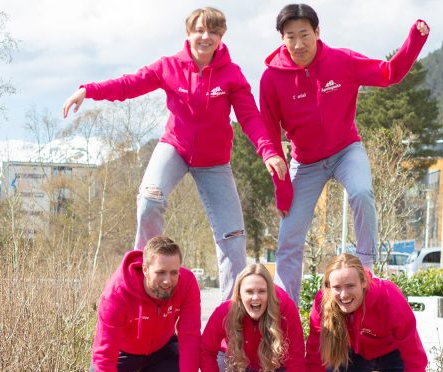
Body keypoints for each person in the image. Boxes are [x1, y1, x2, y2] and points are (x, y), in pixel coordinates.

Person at [62, 7, 288, 297]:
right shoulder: (169, 66)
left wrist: (268, 151)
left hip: (214, 161)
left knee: (233, 236)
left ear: (221, 36)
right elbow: (129, 85)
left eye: (213, 32)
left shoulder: (231, 75)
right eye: (199, 30)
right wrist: (89, 90)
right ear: (188, 33)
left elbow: (250, 117)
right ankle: (143, 275)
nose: (205, 37)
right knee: (149, 199)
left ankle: (230, 311)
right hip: (175, 148)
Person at [259, 3, 430, 299]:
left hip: (346, 150)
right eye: (290, 37)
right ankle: (287, 307)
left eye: (304, 35)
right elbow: (271, 136)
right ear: (282, 39)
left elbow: (388, 73)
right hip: (305, 162)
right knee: (289, 236)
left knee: (361, 192)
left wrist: (415, 40)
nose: (298, 44)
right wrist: (281, 187)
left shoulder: (342, 61)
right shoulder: (271, 79)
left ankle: (365, 268)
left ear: (317, 32)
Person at [90, 235, 200, 372]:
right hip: (121, 352)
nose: (167, 281)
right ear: (145, 269)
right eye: (160, 272)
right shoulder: (116, 294)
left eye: (174, 272)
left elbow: (190, 337)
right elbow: (105, 354)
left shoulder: (187, 283)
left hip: (162, 348)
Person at [200, 263, 305, 372]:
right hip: (235, 362)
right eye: (249, 291)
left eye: (262, 291)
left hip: (276, 365)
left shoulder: (286, 309)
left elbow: (297, 357)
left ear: (269, 292)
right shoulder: (225, 311)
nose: (255, 297)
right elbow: (206, 350)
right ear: (239, 293)